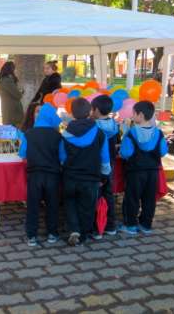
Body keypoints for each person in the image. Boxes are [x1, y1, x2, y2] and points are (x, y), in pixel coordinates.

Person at [59, 98, 112, 246]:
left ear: (72, 114)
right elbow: (105, 159)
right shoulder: (100, 134)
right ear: (90, 112)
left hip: (70, 177)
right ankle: (83, 235)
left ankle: (74, 229)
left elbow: (62, 157)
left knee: (70, 203)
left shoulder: (65, 134)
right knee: (87, 207)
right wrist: (105, 176)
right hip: (91, 179)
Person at [119, 101, 168, 235]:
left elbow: (125, 153)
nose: (132, 116)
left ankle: (131, 226)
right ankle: (146, 225)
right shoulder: (159, 133)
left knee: (132, 198)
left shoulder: (131, 133)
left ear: (140, 115)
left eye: (133, 113)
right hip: (153, 172)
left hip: (135, 172)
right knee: (149, 198)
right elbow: (163, 152)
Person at [18, 103, 63, 246]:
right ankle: (52, 234)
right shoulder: (57, 136)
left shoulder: (28, 134)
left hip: (34, 175)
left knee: (33, 205)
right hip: (53, 176)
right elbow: (63, 157)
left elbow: (22, 153)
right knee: (52, 204)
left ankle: (31, 236)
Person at [90, 95, 120, 238]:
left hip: (96, 166)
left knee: (96, 196)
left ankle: (97, 228)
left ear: (95, 110)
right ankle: (110, 226)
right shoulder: (114, 125)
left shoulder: (94, 127)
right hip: (110, 165)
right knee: (108, 195)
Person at [22, 61, 62, 130]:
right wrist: (33, 101)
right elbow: (39, 92)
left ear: (53, 69)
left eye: (47, 68)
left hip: (51, 105)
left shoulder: (56, 80)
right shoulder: (46, 79)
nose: (45, 70)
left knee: (47, 122)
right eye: (44, 68)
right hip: (44, 103)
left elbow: (55, 94)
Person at [0, 61, 24, 127]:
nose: (15, 71)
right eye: (15, 69)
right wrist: (21, 91)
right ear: (11, 70)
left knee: (9, 131)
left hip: (8, 111)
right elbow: (18, 95)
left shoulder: (3, 80)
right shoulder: (7, 81)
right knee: (13, 133)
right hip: (12, 113)